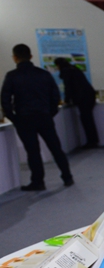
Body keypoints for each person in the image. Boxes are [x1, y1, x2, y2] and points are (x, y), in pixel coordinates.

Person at [1, 44, 73, 190]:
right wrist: (50, 113)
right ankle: (67, 177)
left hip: (24, 118)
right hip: (44, 116)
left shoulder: (12, 76)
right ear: (31, 56)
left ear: (15, 57)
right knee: (55, 148)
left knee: (33, 151)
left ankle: (38, 181)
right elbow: (55, 96)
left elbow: (5, 99)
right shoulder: (43, 74)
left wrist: (13, 118)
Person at [55, 57, 99, 148]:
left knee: (86, 119)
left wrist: (66, 100)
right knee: (88, 119)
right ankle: (93, 140)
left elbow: (68, 87)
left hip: (83, 98)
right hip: (89, 96)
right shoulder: (74, 69)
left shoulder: (66, 71)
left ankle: (91, 141)